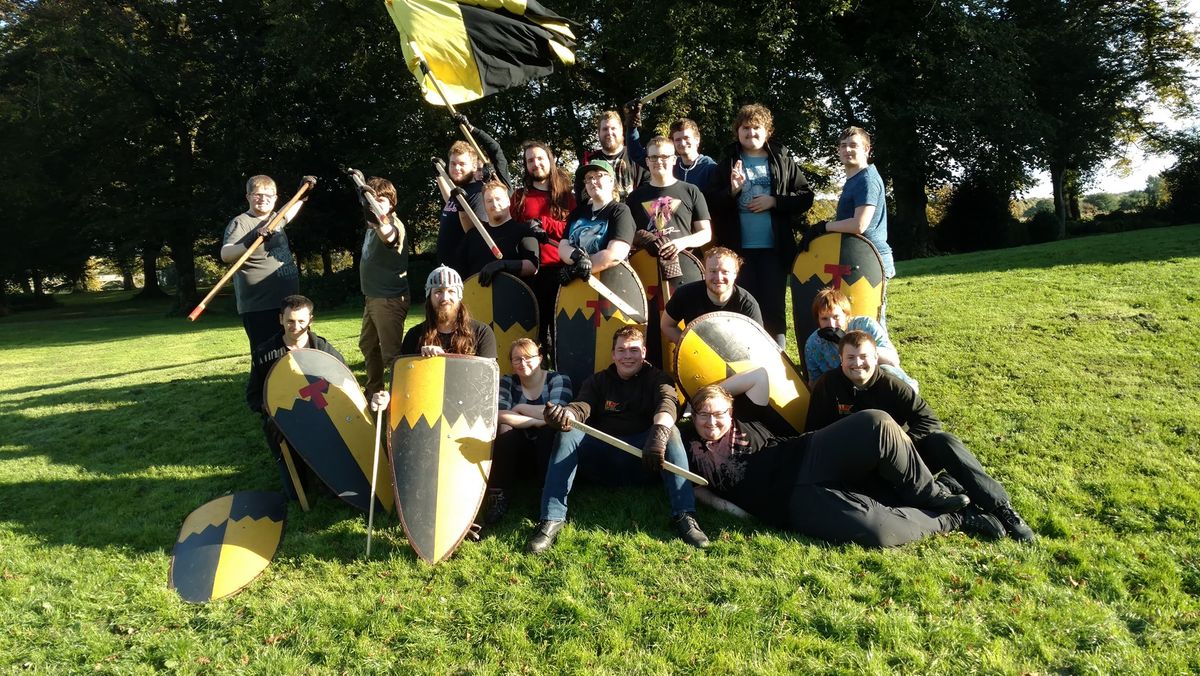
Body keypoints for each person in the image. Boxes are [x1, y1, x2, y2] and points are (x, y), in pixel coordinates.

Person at [682, 385, 1004, 547]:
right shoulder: (685, 445)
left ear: (731, 410)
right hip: (791, 505)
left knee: (875, 423)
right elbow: (694, 487)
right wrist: (716, 502)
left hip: (806, 454)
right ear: (692, 417)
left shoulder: (749, 416)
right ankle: (958, 516)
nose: (712, 421)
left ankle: (931, 494)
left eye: (719, 412)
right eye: (703, 414)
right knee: (877, 533)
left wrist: (714, 390)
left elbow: (758, 378)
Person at [806, 331, 1036, 541]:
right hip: (858, 470)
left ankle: (1002, 510)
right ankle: (953, 497)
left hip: (901, 463)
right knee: (882, 505)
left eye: (864, 356)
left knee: (943, 441)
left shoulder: (892, 386)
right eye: (851, 358)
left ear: (876, 358)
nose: (858, 363)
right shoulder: (828, 386)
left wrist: (904, 444)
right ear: (840, 359)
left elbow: (928, 419)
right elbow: (813, 431)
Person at [527, 326, 709, 553]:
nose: (627, 356)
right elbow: (581, 406)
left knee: (670, 431)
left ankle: (685, 516)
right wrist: (565, 416)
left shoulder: (659, 378)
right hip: (603, 462)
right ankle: (551, 519)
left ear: (644, 352)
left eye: (633, 350)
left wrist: (659, 431)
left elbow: (667, 402)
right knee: (569, 432)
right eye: (621, 350)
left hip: (645, 460)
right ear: (613, 354)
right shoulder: (598, 381)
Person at [246, 295, 389, 499]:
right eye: (290, 321)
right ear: (280, 319)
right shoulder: (264, 353)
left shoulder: (324, 351)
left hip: (325, 418)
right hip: (285, 423)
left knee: (335, 478)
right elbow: (253, 396)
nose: (296, 326)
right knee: (296, 493)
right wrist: (274, 416)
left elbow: (345, 388)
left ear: (310, 320)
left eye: (301, 321)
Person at [709, 104, 814, 349]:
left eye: (756, 128)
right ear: (738, 132)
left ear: (767, 131)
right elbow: (711, 203)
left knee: (773, 307)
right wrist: (732, 191)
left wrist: (774, 201)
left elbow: (806, 197)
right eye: (745, 128)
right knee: (741, 306)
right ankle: (746, 356)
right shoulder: (726, 163)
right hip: (737, 252)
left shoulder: (782, 160)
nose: (751, 133)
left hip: (773, 250)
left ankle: (779, 359)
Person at [800, 126, 895, 325]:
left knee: (870, 327)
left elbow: (859, 224)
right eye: (843, 146)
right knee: (850, 324)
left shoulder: (867, 179)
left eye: (854, 145)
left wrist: (823, 227)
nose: (847, 150)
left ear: (867, 150)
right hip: (856, 259)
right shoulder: (855, 179)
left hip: (870, 260)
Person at [482, 338, 574, 526]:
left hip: (548, 449)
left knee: (550, 430)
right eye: (517, 359)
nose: (523, 363)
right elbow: (499, 415)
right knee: (504, 429)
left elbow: (557, 414)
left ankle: (545, 493)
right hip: (517, 450)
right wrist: (537, 421)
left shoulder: (558, 379)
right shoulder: (507, 381)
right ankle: (499, 495)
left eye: (528, 357)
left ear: (540, 358)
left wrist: (521, 407)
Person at [221, 175, 306, 353]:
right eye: (257, 194)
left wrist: (302, 195)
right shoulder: (241, 222)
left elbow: (288, 212)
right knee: (266, 357)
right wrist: (250, 240)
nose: (263, 199)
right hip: (260, 306)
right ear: (248, 197)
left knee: (293, 352)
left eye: (268, 196)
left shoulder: (275, 219)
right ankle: (261, 383)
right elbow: (226, 254)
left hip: (287, 303)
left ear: (275, 198)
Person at [511, 141, 577, 348]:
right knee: (535, 335)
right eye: (530, 160)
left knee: (561, 334)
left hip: (561, 271)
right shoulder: (519, 197)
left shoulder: (567, 197)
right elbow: (511, 231)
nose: (535, 163)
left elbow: (574, 231)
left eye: (540, 158)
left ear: (550, 160)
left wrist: (545, 223)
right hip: (531, 273)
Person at [355, 175, 410, 398]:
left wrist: (377, 216)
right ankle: (374, 391)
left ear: (391, 203)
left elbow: (389, 237)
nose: (376, 206)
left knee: (392, 356)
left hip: (389, 299)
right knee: (367, 345)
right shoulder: (371, 225)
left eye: (382, 201)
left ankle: (403, 401)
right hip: (372, 297)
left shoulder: (391, 224)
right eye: (372, 202)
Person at [803, 288, 916, 390]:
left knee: (888, 370)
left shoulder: (866, 325)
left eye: (836, 317)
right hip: (845, 388)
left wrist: (848, 341)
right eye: (824, 319)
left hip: (874, 377)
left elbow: (892, 360)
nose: (831, 324)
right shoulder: (813, 344)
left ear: (846, 315)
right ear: (818, 321)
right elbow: (815, 381)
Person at [434, 115, 510, 267]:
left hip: (465, 269)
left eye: (462, 164)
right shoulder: (459, 191)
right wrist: (439, 175)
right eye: (453, 163)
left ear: (474, 167)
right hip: (446, 267)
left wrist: (472, 129)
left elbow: (476, 232)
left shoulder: (479, 192)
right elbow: (450, 200)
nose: (456, 168)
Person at [626, 135, 713, 264]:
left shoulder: (690, 191)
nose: (659, 161)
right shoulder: (634, 197)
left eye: (664, 157)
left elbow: (705, 233)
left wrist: (681, 243)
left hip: (685, 265)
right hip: (646, 268)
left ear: (673, 160)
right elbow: (628, 235)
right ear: (647, 161)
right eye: (654, 157)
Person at [660, 247, 762, 348]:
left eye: (725, 272)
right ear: (705, 273)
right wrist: (689, 347)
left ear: (735, 274)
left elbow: (757, 342)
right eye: (713, 271)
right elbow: (666, 325)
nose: (718, 278)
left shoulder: (747, 304)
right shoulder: (685, 294)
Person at [557, 159, 635, 283]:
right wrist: (576, 257)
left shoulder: (620, 211)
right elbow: (563, 246)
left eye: (599, 176)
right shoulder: (577, 213)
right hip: (577, 287)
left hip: (611, 286)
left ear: (611, 181)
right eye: (588, 178)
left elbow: (615, 254)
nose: (592, 181)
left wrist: (576, 270)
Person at [401, 266, 497, 359]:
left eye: (451, 291)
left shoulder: (482, 333)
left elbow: (488, 373)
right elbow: (404, 372)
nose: (445, 298)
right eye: (438, 291)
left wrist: (446, 359)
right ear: (429, 297)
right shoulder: (414, 336)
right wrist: (421, 359)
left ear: (459, 296)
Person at [453, 181, 539, 284]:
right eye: (489, 201)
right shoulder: (473, 235)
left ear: (508, 201)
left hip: (512, 296)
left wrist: (503, 265)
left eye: (498, 199)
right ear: (484, 205)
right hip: (476, 296)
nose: (494, 204)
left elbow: (533, 266)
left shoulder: (524, 231)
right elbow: (459, 271)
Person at [573, 110, 647, 204]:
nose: (609, 133)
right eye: (605, 129)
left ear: (621, 130)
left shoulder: (636, 157)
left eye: (613, 128)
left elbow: (649, 189)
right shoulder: (589, 162)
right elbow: (580, 196)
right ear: (598, 133)